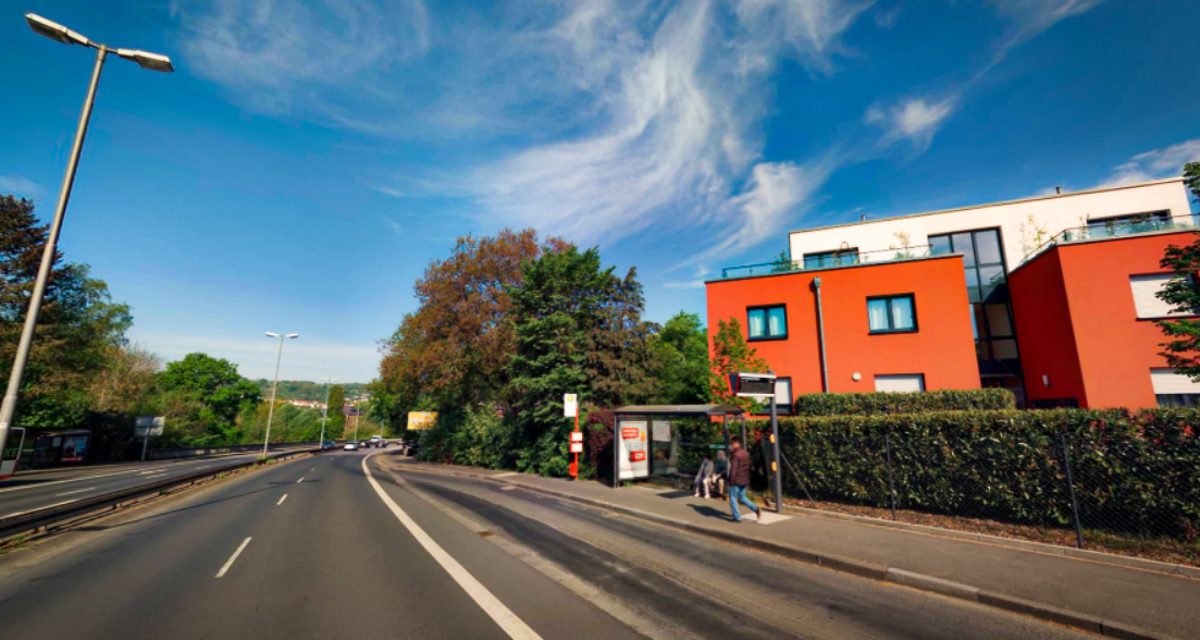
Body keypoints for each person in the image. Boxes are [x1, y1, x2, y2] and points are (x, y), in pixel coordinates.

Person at [727, 436, 760, 522]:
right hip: (745, 480)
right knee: (741, 497)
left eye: (732, 444)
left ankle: (736, 517)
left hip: (736, 480)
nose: (731, 446)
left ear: (736, 444)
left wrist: (731, 481)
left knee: (733, 497)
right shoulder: (745, 453)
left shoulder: (736, 455)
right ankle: (755, 508)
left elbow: (733, 470)